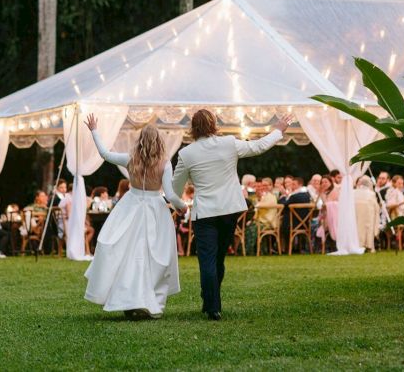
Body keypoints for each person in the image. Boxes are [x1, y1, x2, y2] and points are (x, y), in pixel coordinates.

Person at [172, 109, 293, 320]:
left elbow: (175, 187)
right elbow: (258, 147)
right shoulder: (229, 143)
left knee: (208, 259)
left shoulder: (186, 153)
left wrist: (178, 205)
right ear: (214, 124)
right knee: (218, 258)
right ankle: (211, 301)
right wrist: (278, 130)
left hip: (205, 214)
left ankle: (212, 304)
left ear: (193, 128)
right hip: (229, 211)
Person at [83, 113, 186, 320]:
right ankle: (150, 301)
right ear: (159, 142)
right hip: (155, 210)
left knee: (127, 254)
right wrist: (181, 206)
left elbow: (104, 154)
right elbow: (170, 193)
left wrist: (94, 130)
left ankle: (130, 299)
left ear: (140, 141)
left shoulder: (130, 159)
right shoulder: (165, 164)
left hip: (130, 208)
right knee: (155, 256)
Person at [354, 176, 379, 253]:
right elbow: (376, 206)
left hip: (357, 215)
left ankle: (358, 244)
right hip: (368, 214)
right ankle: (369, 245)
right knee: (368, 229)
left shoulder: (354, 192)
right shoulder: (371, 194)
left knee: (358, 228)